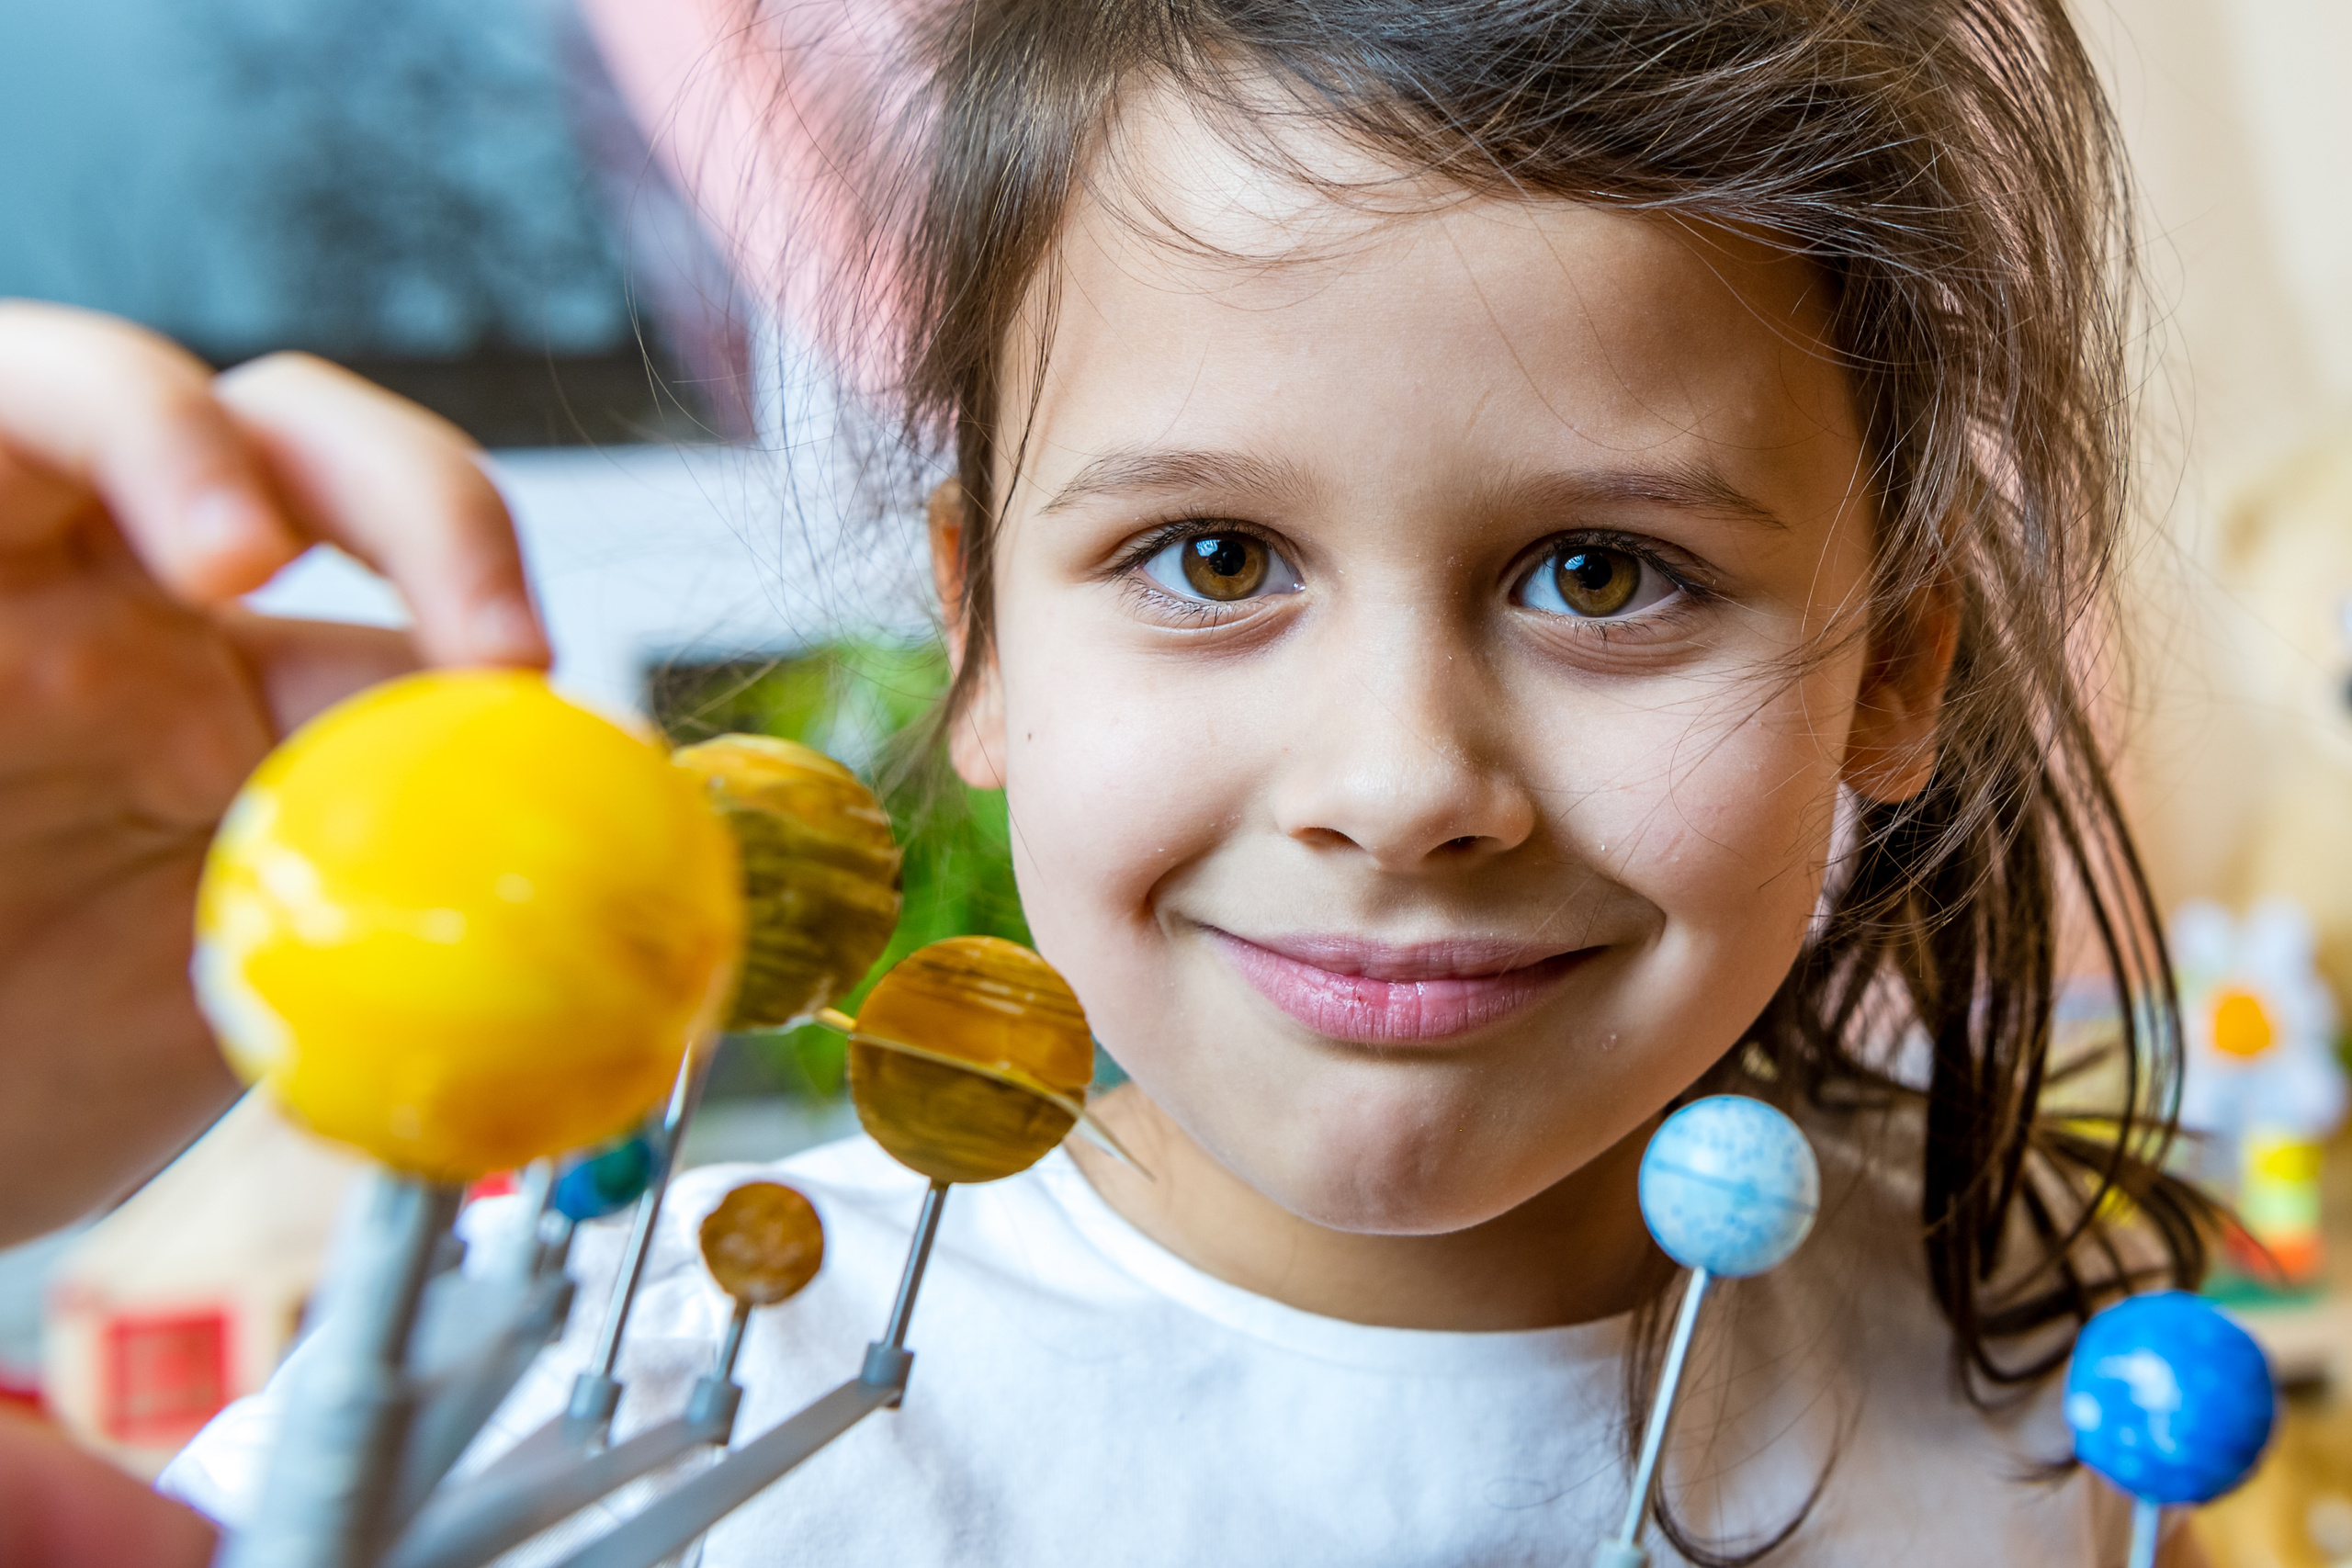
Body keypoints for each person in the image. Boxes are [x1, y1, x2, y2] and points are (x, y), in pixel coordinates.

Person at [2, 0, 2217, 1562]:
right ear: (979, 633)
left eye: (1599, 571)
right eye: (1213, 557)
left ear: (1891, 665)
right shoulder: (603, 1402)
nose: (1397, 783)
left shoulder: (2049, 1398)